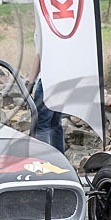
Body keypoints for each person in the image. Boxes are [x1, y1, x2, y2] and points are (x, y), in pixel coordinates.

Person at [29, 21, 65, 153]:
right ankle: (61, 162)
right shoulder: (61, 24)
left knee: (41, 126)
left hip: (47, 81)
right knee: (56, 124)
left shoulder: (43, 26)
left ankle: (42, 161)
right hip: (62, 79)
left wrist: (30, 83)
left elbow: (39, 55)